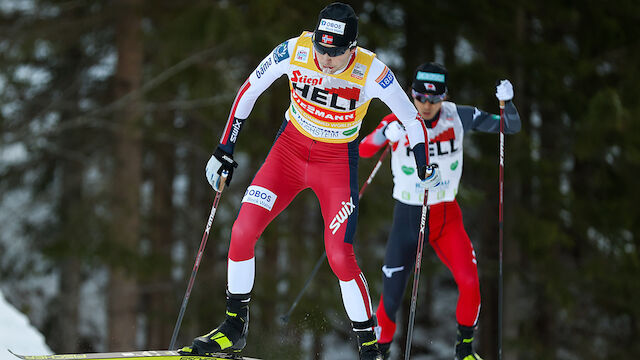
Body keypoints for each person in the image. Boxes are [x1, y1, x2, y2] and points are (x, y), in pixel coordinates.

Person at [178, 4, 440, 360]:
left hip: (334, 164)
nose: (325, 60)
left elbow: (411, 120)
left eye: (334, 54)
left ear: (352, 48)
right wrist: (225, 146)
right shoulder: (295, 50)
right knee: (241, 231)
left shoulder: (370, 70)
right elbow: (248, 90)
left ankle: (369, 349)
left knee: (339, 256)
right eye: (321, 49)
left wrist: (424, 161)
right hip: (288, 154)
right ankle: (234, 327)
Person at [359, 62, 521, 360]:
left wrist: (507, 103)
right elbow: (363, 149)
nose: (426, 105)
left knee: (470, 282)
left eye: (434, 99)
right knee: (390, 297)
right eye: (420, 97)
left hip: (445, 214)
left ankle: (464, 351)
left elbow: (508, 126)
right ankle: (379, 353)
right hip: (407, 216)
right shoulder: (399, 116)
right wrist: (386, 133)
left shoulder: (457, 116)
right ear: (412, 94)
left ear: (444, 97)